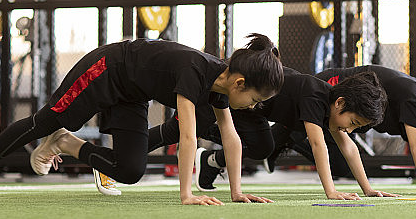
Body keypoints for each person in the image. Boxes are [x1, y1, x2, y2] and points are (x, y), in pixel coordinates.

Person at [0, 34, 283, 206]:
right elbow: (188, 138)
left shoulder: (221, 88)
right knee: (46, 120)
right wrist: (186, 194)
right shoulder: (195, 71)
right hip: (107, 70)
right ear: (240, 83)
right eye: (253, 100)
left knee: (130, 170)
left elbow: (230, 136)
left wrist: (237, 191)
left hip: (132, 94)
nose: (251, 108)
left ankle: (67, 143)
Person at [147, 68, 397, 200]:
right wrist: (331, 191)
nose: (349, 130)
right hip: (239, 97)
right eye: (352, 122)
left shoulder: (333, 113)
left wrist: (368, 189)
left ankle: (208, 162)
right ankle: (134, 147)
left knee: (262, 148)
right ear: (340, 103)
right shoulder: (316, 96)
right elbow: (318, 145)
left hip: (254, 111)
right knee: (176, 131)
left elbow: (349, 146)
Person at [268, 65, 416, 196]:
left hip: (350, 113)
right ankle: (288, 136)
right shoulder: (414, 98)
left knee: (340, 163)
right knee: (301, 135)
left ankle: (285, 137)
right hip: (333, 93)